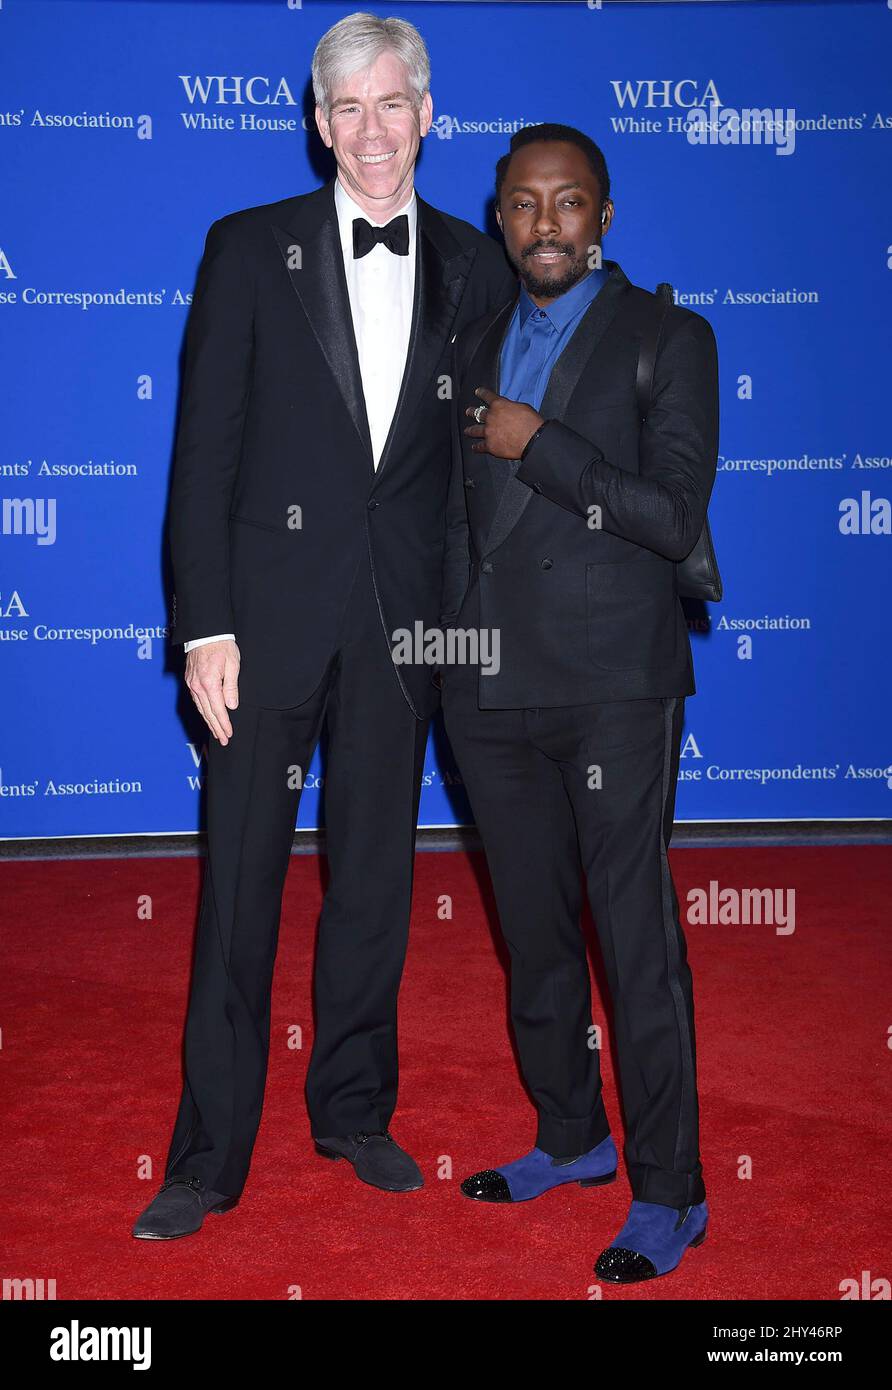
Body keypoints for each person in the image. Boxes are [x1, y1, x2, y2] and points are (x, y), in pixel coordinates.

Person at [133, 12, 513, 1241]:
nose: (370, 131)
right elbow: (204, 458)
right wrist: (205, 624)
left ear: (428, 114)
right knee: (238, 887)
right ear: (316, 123)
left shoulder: (474, 263)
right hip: (265, 629)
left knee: (376, 882)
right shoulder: (246, 250)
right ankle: (206, 1155)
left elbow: (481, 467)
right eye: (344, 107)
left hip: (405, 630)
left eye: (391, 103)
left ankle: (353, 1107)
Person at [441, 123, 718, 1283]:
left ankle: (671, 1191)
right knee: (535, 937)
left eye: (567, 202)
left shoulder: (670, 335)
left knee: (633, 941)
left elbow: (667, 516)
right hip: (486, 687)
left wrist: (539, 444)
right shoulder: (465, 338)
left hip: (613, 683)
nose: (544, 222)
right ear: (499, 218)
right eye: (521, 203)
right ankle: (573, 1136)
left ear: (604, 216)